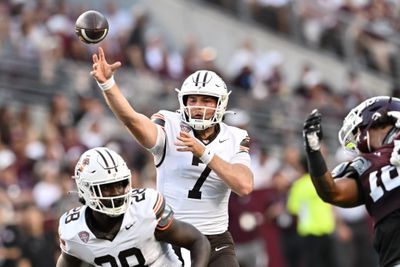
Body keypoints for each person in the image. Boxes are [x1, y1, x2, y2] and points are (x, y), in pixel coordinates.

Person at [90, 47, 253, 266]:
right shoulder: (170, 123)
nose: (198, 107)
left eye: (206, 100)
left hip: (216, 239)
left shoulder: (235, 136)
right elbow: (133, 121)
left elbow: (244, 185)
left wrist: (204, 152)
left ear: (220, 103)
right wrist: (108, 85)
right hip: (172, 236)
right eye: (192, 100)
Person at [56, 147, 210, 267]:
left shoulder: (146, 209)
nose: (117, 193)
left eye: (120, 184)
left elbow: (198, 241)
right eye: (107, 187)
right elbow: (67, 263)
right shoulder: (73, 232)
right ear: (86, 190)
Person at [302, 96, 400, 267]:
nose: (358, 137)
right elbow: (332, 192)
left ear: (379, 121)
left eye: (359, 130)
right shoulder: (369, 165)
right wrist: (313, 152)